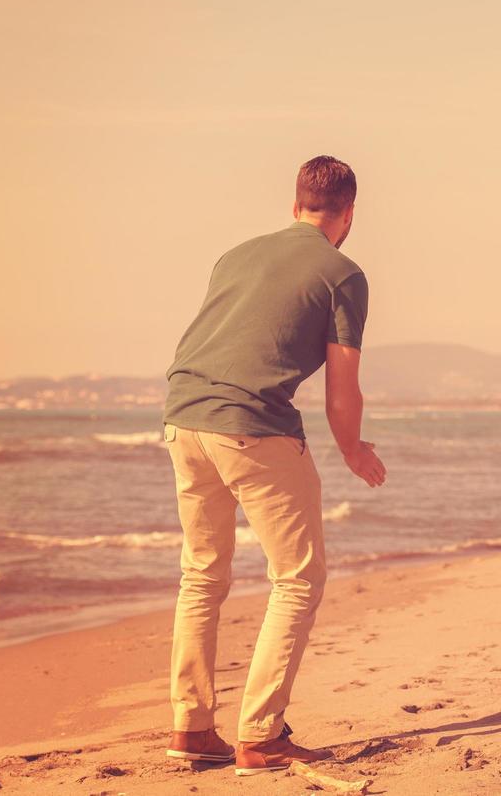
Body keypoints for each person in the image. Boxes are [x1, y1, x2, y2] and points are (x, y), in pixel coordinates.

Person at [159, 155, 387, 776]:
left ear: (295, 205)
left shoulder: (233, 256)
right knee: (297, 578)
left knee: (202, 574)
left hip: (183, 418)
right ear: (348, 214)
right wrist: (353, 448)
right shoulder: (344, 274)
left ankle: (190, 727)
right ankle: (260, 736)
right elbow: (343, 387)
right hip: (252, 427)